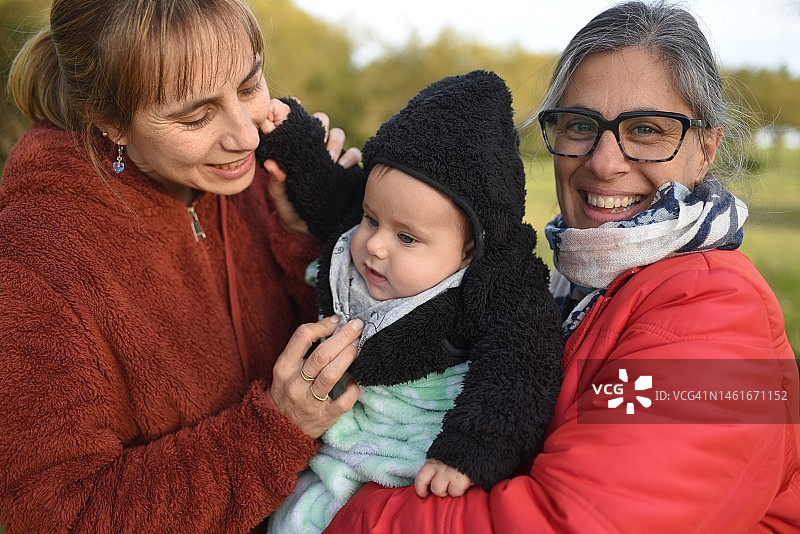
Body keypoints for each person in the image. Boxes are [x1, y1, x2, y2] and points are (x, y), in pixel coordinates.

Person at [322, 2, 800, 532]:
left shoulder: (714, 321)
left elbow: (569, 522)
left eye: (645, 130)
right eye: (580, 125)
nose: (602, 160)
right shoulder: (573, 287)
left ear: (705, 149)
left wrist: (338, 506)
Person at [0, 0, 365, 532]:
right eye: (196, 115)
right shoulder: (39, 260)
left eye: (248, 86)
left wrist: (305, 235)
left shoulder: (258, 176)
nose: (245, 134)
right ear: (110, 122)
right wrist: (275, 433)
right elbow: (54, 511)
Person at [256, 70, 563, 533]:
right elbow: (327, 190)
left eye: (406, 237)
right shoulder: (369, 232)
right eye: (371, 218)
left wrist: (468, 453)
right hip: (335, 448)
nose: (375, 246)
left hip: (415, 458)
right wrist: (294, 138)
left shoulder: (499, 286)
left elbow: (521, 367)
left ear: (468, 250)